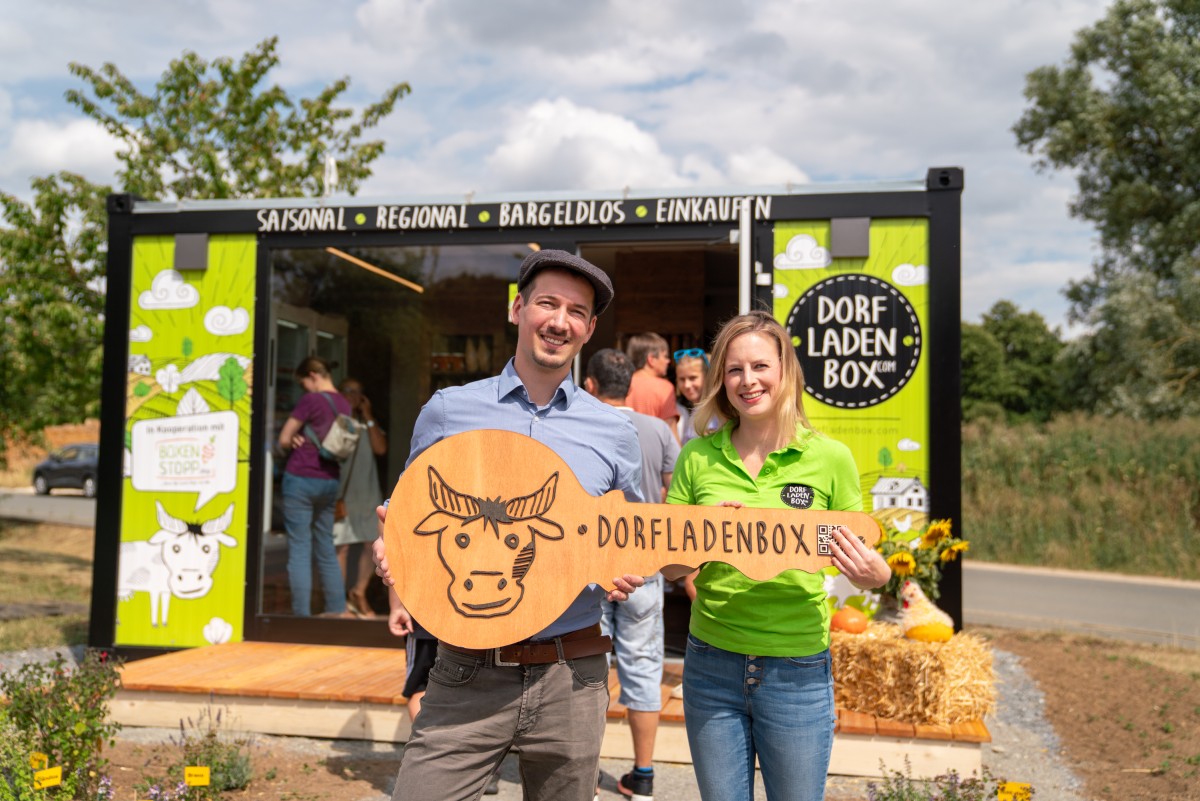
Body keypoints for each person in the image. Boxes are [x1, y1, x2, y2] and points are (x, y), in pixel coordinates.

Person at [374, 249, 647, 801]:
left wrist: (627, 566)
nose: (559, 321)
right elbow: (406, 520)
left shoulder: (614, 432)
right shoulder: (449, 410)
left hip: (573, 673)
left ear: (589, 329)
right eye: (547, 303)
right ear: (517, 309)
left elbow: (633, 537)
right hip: (465, 670)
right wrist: (396, 567)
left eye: (576, 311)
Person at [662, 311, 891, 801]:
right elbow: (669, 566)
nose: (749, 381)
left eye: (761, 366)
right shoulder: (697, 457)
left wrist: (876, 573)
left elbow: (865, 563)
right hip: (711, 664)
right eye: (734, 369)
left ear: (786, 371)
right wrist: (705, 541)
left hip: (797, 669)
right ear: (721, 380)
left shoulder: (830, 458)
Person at [583, 349, 679, 801]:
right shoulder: (659, 429)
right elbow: (673, 490)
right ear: (631, 386)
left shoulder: (582, 424)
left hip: (589, 564)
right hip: (646, 561)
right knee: (643, 666)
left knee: (585, 670)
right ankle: (643, 775)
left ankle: (583, 773)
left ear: (590, 386)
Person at [277, 356, 353, 618]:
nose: (304, 389)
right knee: (325, 548)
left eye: (304, 383)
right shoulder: (344, 403)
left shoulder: (310, 400)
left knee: (299, 548)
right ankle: (336, 609)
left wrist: (293, 440)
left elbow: (284, 439)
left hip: (301, 478)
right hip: (329, 480)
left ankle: (301, 616)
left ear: (313, 375)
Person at [333, 378, 388, 616]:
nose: (353, 396)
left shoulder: (367, 423)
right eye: (348, 391)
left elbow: (381, 448)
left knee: (371, 544)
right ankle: (339, 603)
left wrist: (369, 414)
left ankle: (359, 591)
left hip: (367, 492)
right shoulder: (336, 420)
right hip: (342, 493)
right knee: (341, 547)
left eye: (358, 392)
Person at [625, 333, 680, 436]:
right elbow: (670, 434)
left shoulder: (622, 382)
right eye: (665, 356)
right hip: (654, 450)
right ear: (651, 360)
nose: (668, 361)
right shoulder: (664, 387)